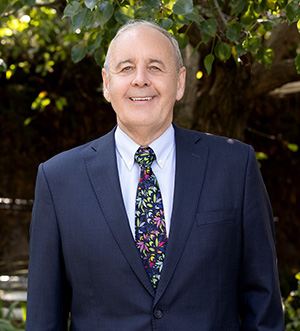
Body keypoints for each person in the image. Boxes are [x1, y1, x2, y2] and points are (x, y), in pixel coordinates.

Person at [26, 20, 284, 330]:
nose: (140, 80)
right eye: (126, 68)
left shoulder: (234, 166)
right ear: (107, 84)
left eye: (155, 67)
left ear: (180, 82)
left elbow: (263, 305)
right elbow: (43, 318)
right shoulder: (58, 180)